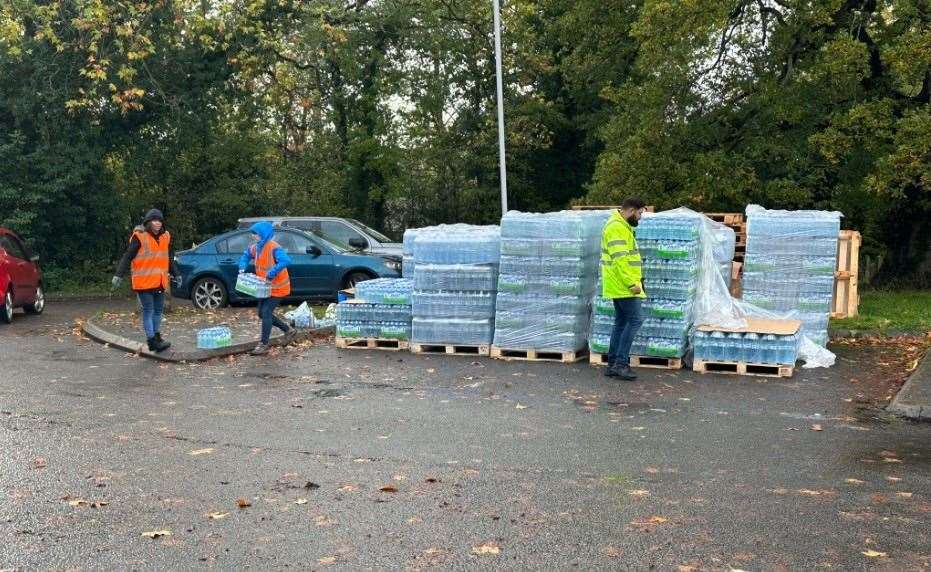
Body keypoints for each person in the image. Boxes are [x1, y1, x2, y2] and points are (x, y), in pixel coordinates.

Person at [112, 209, 176, 353]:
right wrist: (118, 275)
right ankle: (152, 341)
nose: (157, 223)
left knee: (158, 311)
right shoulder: (139, 237)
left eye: (159, 220)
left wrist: (176, 274)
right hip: (144, 282)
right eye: (154, 220)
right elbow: (127, 257)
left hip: (159, 281)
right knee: (148, 310)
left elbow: (168, 258)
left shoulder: (165, 237)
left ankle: (156, 337)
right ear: (148, 222)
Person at [601, 197, 647, 380]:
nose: (640, 217)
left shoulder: (620, 226)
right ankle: (620, 363)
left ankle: (613, 363)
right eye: (640, 213)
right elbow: (620, 260)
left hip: (620, 284)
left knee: (621, 322)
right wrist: (632, 284)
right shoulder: (616, 228)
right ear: (631, 211)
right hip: (624, 286)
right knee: (635, 321)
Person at [239, 222, 293, 355]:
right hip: (265, 287)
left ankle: (263, 344)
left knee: (266, 312)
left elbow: (286, 260)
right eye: (252, 233)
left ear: (263, 234)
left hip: (278, 288)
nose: (253, 236)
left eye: (255, 234)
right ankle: (288, 330)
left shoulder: (274, 247)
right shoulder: (256, 248)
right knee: (261, 314)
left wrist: (272, 272)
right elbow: (246, 255)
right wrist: (242, 265)